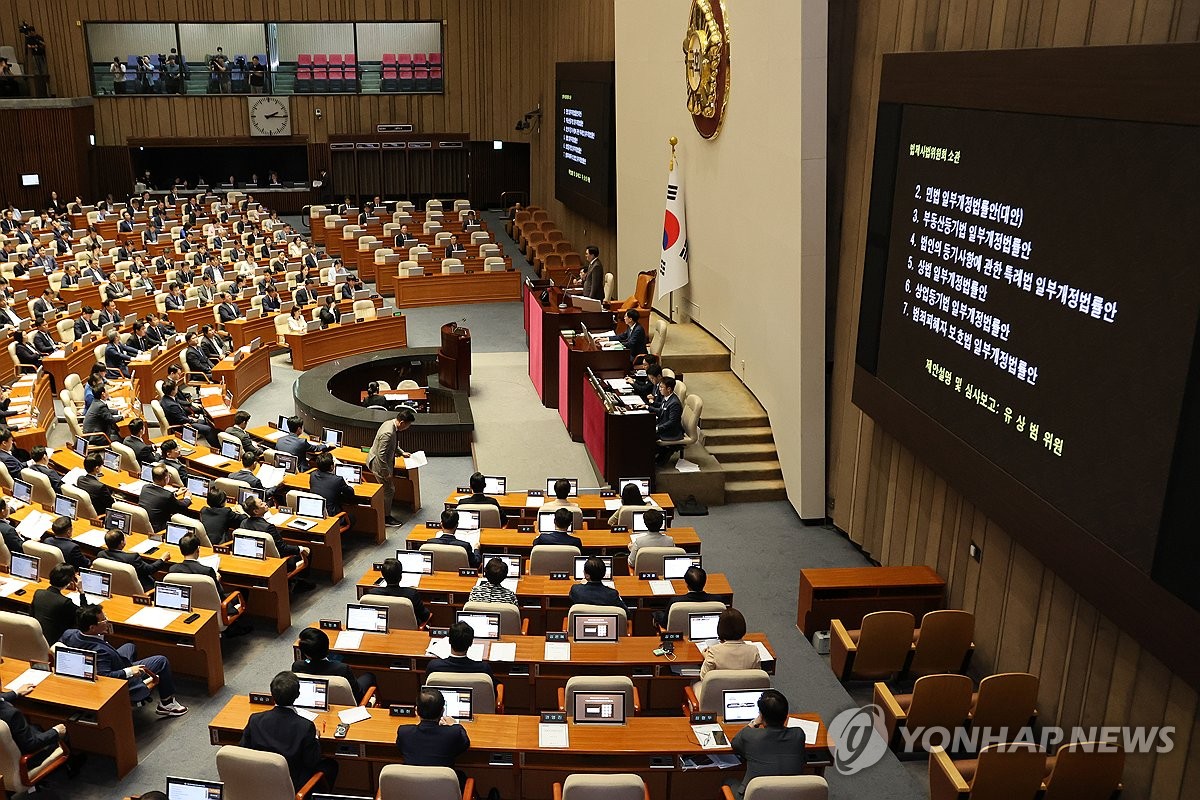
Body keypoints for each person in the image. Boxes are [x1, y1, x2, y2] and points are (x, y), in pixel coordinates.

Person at [62, 605, 190, 715]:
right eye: (103, 620)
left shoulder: (70, 633)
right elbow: (105, 677)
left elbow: (57, 645)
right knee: (161, 661)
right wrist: (129, 671)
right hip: (119, 673)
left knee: (130, 646)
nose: (107, 621)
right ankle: (166, 704)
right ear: (92, 628)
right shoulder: (100, 651)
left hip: (114, 661)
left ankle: (139, 677)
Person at [239, 671, 336, 790]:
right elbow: (312, 761)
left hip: (259, 781)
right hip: (292, 785)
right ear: (298, 695)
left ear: (272, 694)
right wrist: (315, 737)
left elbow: (243, 750)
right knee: (331, 765)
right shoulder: (306, 726)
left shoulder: (255, 720)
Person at [727, 690, 806, 800]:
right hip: (789, 795)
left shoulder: (750, 735)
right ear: (786, 715)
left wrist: (754, 723)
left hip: (754, 797)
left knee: (728, 782)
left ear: (762, 716)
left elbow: (735, 743)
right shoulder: (799, 734)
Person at [394, 688, 470, 780]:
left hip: (411, 790)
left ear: (416, 710)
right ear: (442, 711)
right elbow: (465, 743)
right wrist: (455, 725)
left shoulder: (404, 732)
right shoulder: (453, 733)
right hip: (443, 791)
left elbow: (401, 748)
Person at [291, 628, 375, 704]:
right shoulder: (342, 669)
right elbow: (357, 695)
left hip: (314, 704)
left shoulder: (297, 667)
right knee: (369, 676)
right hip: (348, 706)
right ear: (327, 646)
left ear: (305, 653)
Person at [243, 496, 312, 585]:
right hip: (277, 563)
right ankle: (299, 583)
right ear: (256, 511)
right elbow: (283, 549)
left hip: (255, 560)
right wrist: (300, 548)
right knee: (308, 550)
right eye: (261, 504)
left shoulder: (243, 523)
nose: (265, 503)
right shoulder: (268, 527)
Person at [367, 407, 415, 525]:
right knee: (389, 490)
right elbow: (381, 455)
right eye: (407, 425)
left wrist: (401, 452)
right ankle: (386, 517)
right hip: (379, 465)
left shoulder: (389, 423)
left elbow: (392, 445)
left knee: (388, 490)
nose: (407, 428)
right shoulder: (388, 432)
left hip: (379, 461)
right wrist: (386, 472)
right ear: (402, 422)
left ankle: (385, 513)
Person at [0, 684, 67, 760]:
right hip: (23, 760)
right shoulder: (12, 714)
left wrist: (16, 692)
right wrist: (56, 731)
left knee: (36, 727)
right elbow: (30, 745)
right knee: (63, 731)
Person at [98, 529, 171, 592]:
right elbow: (149, 570)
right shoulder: (132, 558)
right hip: (141, 588)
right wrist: (162, 559)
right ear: (122, 543)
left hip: (115, 586)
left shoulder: (101, 555)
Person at [363, 557, 431, 625]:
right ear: (401, 576)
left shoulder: (372, 594)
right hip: (408, 632)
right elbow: (425, 616)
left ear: (383, 575)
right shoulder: (411, 594)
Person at [424, 621, 494, 686]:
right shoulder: (483, 669)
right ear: (471, 643)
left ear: (449, 641)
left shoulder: (434, 667)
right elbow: (493, 693)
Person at [655, 566, 723, 628]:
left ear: (686, 584)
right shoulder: (718, 600)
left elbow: (664, 624)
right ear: (705, 582)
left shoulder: (675, 602)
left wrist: (657, 613)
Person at [700, 608, 761, 677]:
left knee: (694, 682)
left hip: (719, 687)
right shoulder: (753, 651)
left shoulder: (714, 651)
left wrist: (706, 657)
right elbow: (757, 677)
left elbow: (704, 677)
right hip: (744, 687)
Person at [31, 564, 79, 646]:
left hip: (35, 637)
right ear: (69, 581)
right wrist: (81, 591)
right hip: (54, 642)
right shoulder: (65, 602)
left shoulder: (38, 593)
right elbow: (84, 614)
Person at [168, 533, 228, 599]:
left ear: (181, 551)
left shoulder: (173, 569)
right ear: (198, 550)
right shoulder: (207, 571)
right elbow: (219, 593)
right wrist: (217, 580)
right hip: (208, 604)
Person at [162, 379, 219, 447]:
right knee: (207, 429)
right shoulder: (171, 405)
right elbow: (180, 420)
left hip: (184, 420)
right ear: (172, 391)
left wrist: (191, 404)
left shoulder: (167, 398)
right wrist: (192, 420)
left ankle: (214, 438)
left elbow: (179, 404)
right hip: (182, 426)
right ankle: (217, 447)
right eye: (176, 387)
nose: (177, 387)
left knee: (206, 422)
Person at [138, 465, 192, 532]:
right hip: (159, 528)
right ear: (166, 478)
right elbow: (182, 507)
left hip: (145, 525)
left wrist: (176, 494)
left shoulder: (145, 488)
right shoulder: (167, 496)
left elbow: (159, 498)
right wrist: (187, 497)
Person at [309, 452, 355, 523]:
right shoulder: (338, 480)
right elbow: (351, 493)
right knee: (352, 518)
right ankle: (336, 534)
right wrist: (346, 484)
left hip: (315, 512)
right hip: (331, 517)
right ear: (331, 466)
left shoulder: (313, 475)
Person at [655, 376, 684, 464]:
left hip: (671, 432)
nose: (659, 389)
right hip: (664, 425)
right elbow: (661, 411)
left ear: (669, 389)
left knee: (647, 436)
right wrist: (649, 408)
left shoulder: (674, 403)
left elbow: (672, 422)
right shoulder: (667, 397)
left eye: (661, 387)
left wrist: (657, 428)